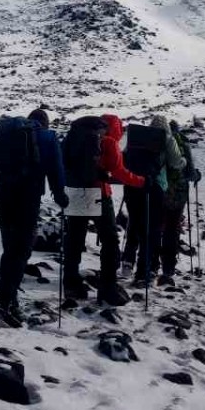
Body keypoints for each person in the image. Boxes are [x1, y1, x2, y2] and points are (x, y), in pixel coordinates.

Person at [0, 108, 67, 327]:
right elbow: (56, 168)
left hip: (2, 193)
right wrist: (60, 193)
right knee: (22, 249)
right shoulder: (47, 137)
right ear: (45, 123)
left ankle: (8, 297)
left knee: (10, 246)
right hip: (28, 195)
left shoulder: (6, 133)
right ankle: (3, 300)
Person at [62, 114, 145, 305]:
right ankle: (108, 287)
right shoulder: (108, 142)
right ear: (115, 128)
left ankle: (71, 283)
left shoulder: (75, 137)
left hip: (75, 191)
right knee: (110, 240)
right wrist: (142, 181)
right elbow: (119, 171)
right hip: (98, 193)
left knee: (74, 238)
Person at [121, 115, 184, 285]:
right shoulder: (168, 138)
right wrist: (184, 162)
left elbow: (125, 157)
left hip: (133, 185)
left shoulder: (138, 135)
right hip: (155, 186)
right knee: (152, 229)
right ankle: (145, 271)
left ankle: (127, 262)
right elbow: (176, 162)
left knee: (135, 223)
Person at [160, 120, 200, 277]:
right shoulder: (182, 141)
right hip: (178, 193)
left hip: (158, 190)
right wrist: (197, 175)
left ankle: (150, 266)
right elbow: (190, 172)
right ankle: (168, 268)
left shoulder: (154, 140)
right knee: (172, 229)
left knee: (155, 227)